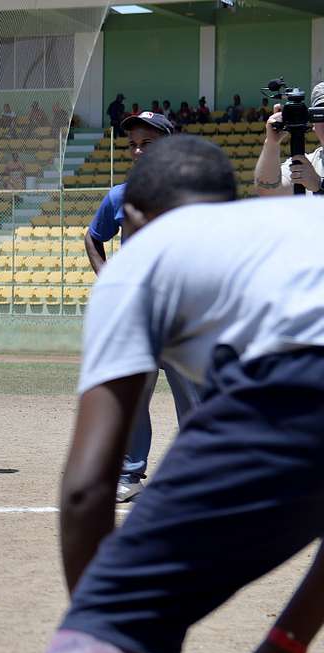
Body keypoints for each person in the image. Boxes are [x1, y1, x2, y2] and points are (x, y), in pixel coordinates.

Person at [19, 135, 324, 653]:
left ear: (133, 215)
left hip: (287, 386)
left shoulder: (144, 252)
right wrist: (290, 641)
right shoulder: (301, 217)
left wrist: (104, 644)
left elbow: (87, 488)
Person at [83, 111, 198, 501]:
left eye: (147, 143)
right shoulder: (119, 195)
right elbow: (93, 237)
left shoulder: (195, 194)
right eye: (132, 144)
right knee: (132, 398)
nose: (137, 150)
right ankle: (130, 475)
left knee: (196, 400)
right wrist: (108, 278)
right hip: (137, 317)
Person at [255, 81, 324, 197]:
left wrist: (319, 185)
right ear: (313, 123)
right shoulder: (306, 164)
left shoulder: (308, 170)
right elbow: (268, 193)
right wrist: (271, 144)